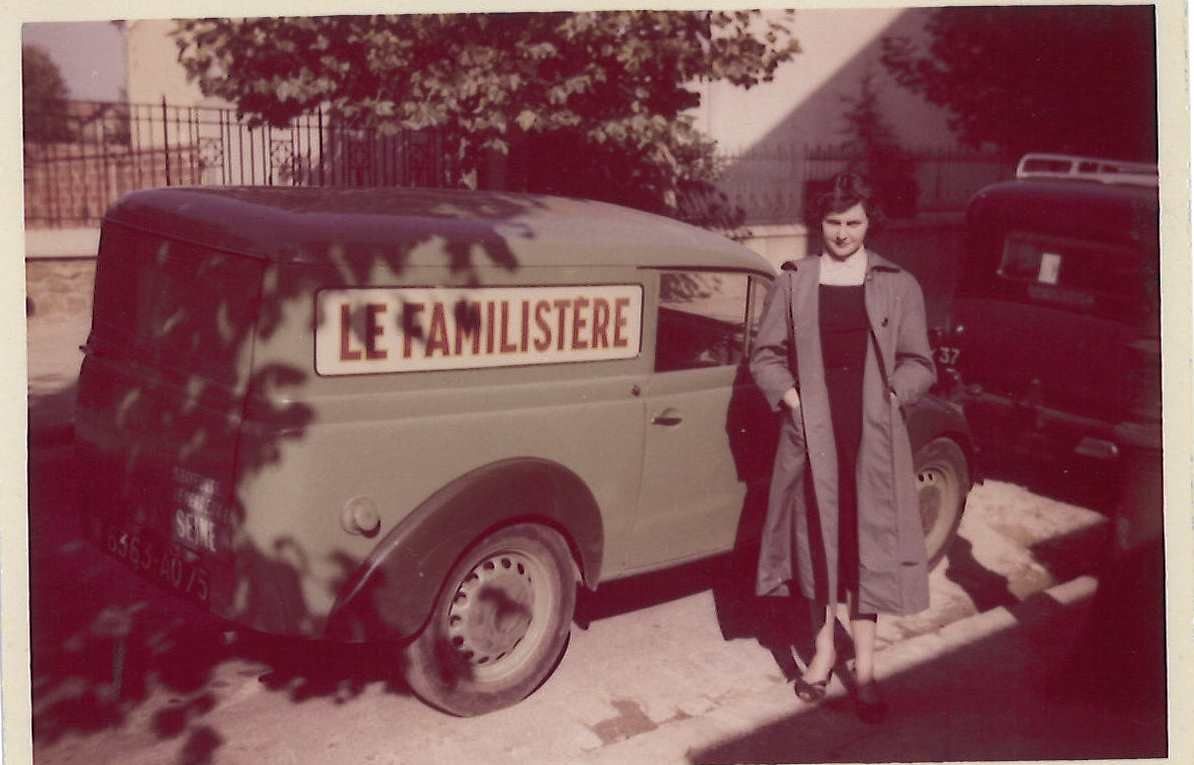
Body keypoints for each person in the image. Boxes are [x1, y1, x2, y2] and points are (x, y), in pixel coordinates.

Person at [749, 172, 936, 723]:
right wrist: (790, 399)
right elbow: (765, 355)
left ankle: (869, 670)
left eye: (853, 222)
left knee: (865, 547)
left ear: (869, 221)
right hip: (812, 433)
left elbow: (919, 362)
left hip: (871, 436)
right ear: (819, 223)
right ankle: (823, 652)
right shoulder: (795, 280)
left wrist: (891, 396)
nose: (843, 233)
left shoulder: (898, 283)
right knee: (817, 545)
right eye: (833, 222)